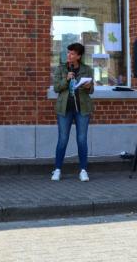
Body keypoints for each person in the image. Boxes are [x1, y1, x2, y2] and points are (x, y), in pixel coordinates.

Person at [51, 43, 94, 182]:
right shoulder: (61, 68)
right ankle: (57, 170)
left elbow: (91, 90)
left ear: (79, 56)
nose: (69, 55)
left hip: (82, 108)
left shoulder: (86, 69)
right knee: (62, 139)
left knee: (82, 140)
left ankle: (83, 170)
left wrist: (88, 87)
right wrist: (67, 79)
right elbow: (57, 88)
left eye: (72, 53)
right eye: (68, 52)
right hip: (65, 109)